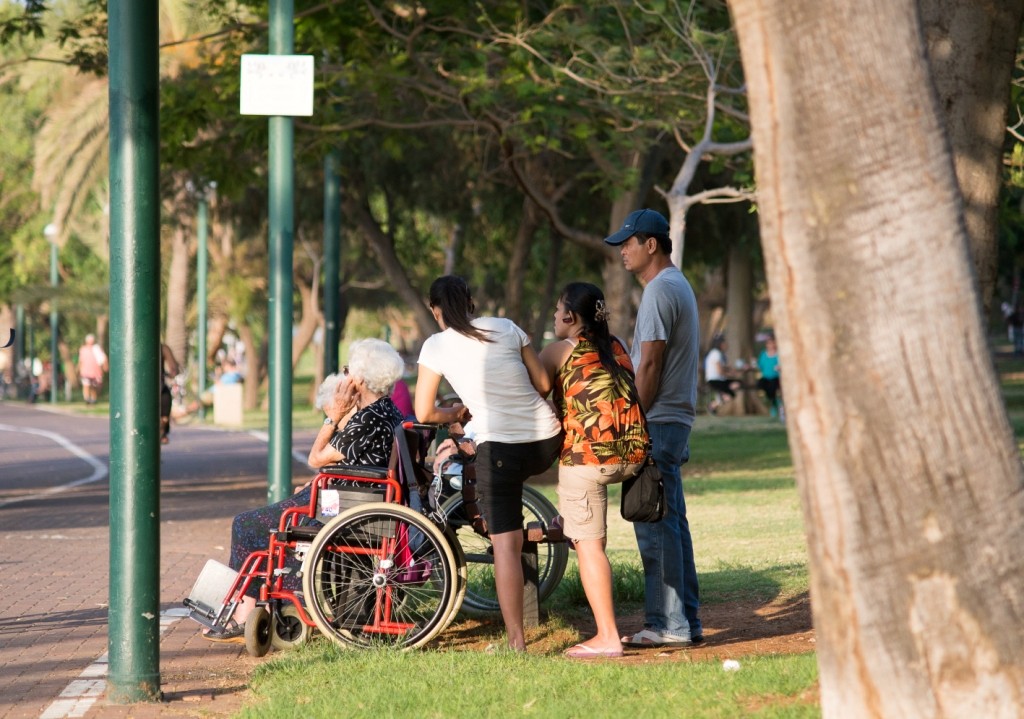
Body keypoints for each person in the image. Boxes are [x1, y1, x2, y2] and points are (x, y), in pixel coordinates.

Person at [204, 338, 405, 642]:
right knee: (264, 521)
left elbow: (315, 457)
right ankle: (250, 608)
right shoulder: (388, 411)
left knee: (245, 525)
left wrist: (333, 417)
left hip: (339, 507)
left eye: (348, 370)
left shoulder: (367, 418)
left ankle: (245, 613)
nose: (346, 376)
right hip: (347, 498)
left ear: (360, 379)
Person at [413, 275, 562, 652]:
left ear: (436, 310)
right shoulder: (506, 327)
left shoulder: (435, 346)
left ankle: (516, 642)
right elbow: (543, 384)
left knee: (506, 544)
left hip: (500, 449)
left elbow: (423, 411)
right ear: (471, 303)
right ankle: (557, 523)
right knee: (512, 495)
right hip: (546, 440)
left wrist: (455, 412)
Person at [604, 208, 703, 647]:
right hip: (673, 417)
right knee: (672, 523)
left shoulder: (660, 291)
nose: (623, 250)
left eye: (629, 242)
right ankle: (686, 623)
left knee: (654, 520)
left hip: (659, 419)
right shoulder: (674, 285)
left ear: (652, 244)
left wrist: (633, 420)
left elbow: (652, 363)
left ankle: (667, 625)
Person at [538, 282, 647, 659]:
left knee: (589, 547)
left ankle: (607, 637)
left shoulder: (559, 351)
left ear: (570, 317)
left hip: (588, 458)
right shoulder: (615, 347)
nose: (554, 317)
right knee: (591, 541)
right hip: (633, 455)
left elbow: (530, 390)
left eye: (556, 311)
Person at [704, 334, 741, 414]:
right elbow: (719, 371)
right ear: (721, 344)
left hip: (717, 380)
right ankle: (714, 404)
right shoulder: (716, 354)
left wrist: (729, 369)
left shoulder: (715, 353)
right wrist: (731, 375)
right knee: (733, 391)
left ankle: (714, 404)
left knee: (733, 389)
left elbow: (722, 367)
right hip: (715, 380)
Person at [755, 334, 782, 419]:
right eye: (769, 343)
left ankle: (775, 405)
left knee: (773, 387)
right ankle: (774, 402)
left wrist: (780, 367)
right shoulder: (763, 354)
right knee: (760, 384)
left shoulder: (779, 354)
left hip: (776, 377)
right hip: (766, 377)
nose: (771, 345)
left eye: (773, 343)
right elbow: (760, 365)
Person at [77, 334, 107, 405]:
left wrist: (104, 367)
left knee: (94, 386)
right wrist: (79, 369)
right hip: (85, 371)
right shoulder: (83, 349)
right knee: (86, 385)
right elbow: (81, 361)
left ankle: (93, 399)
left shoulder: (97, 349)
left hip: (95, 371)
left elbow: (102, 359)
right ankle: (87, 399)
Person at [160, 344, 180, 444]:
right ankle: (163, 432)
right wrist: (173, 372)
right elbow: (174, 368)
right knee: (165, 397)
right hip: (160, 389)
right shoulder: (163, 348)